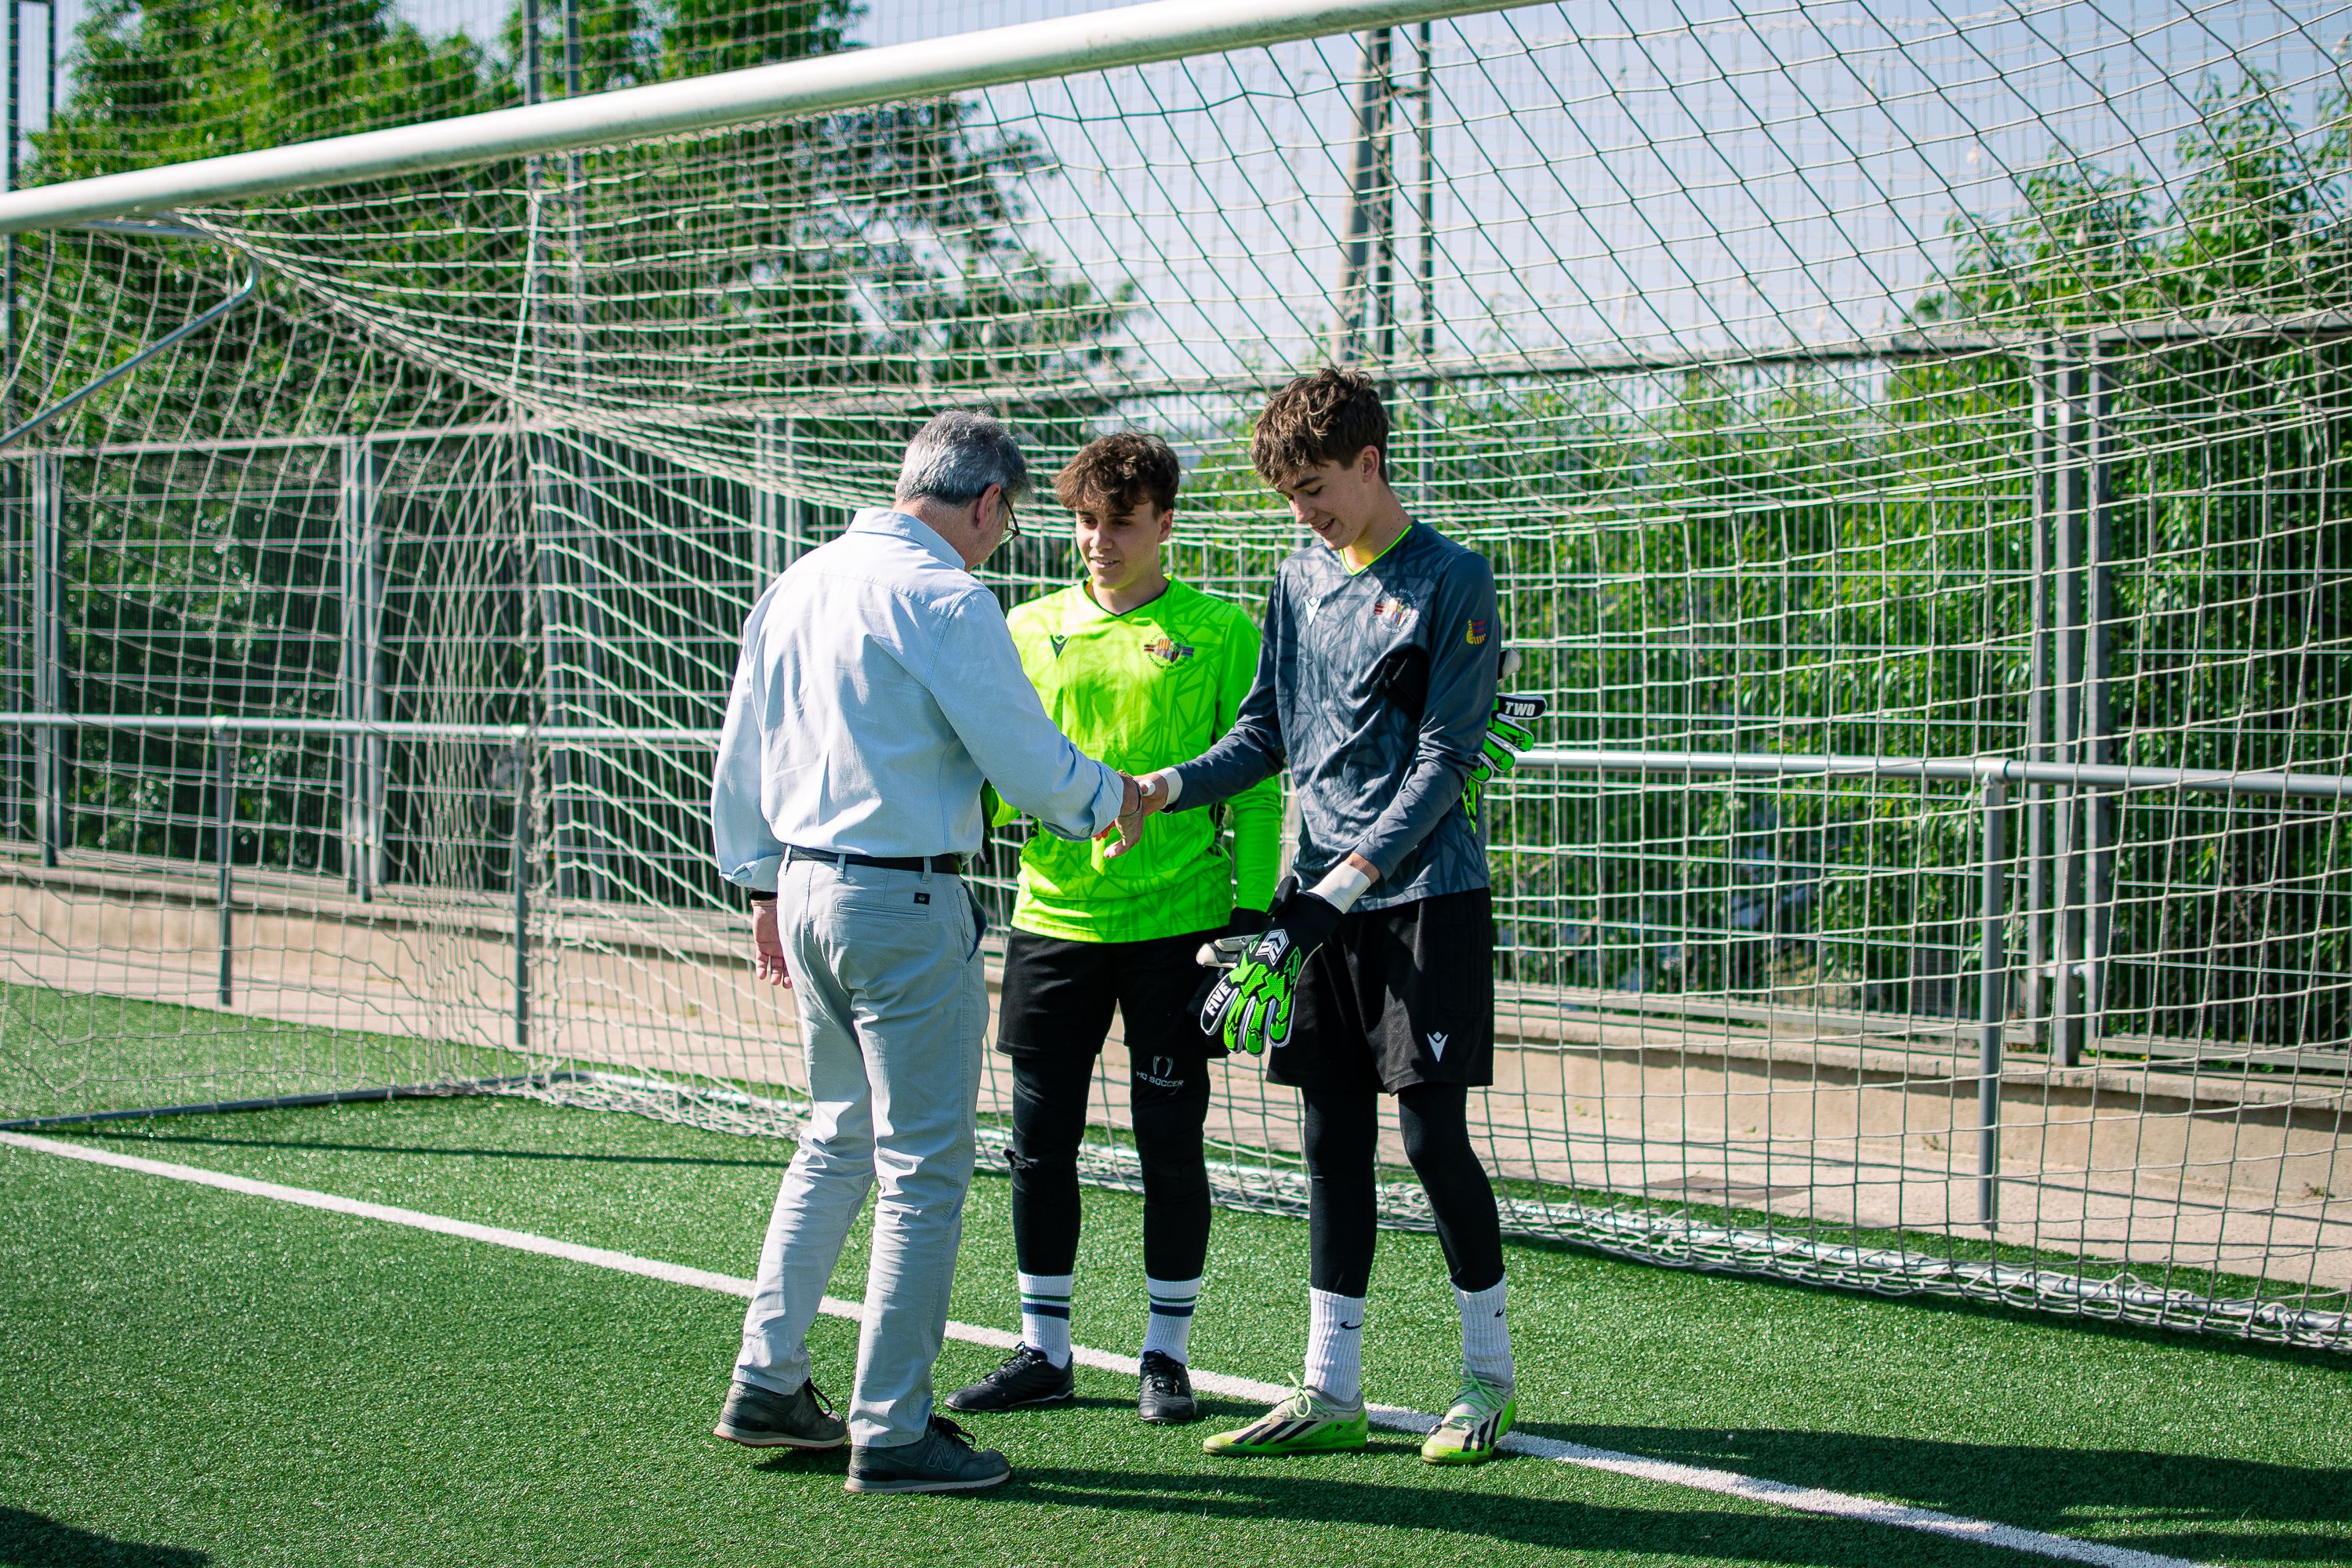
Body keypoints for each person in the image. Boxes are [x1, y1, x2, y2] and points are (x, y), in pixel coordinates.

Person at [708, 409, 1143, 1495]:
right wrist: (1106, 798)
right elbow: (1022, 753)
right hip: (901, 901)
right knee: (922, 1169)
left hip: (804, 886)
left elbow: (741, 741)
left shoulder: (802, 578)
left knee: (834, 1140)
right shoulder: (945, 595)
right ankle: (893, 1430)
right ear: (988, 503)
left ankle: (767, 1378)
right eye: (1007, 520)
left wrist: (760, 881)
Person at [1110, 368, 1523, 1466]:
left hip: (1422, 899)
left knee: (1435, 1139)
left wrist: (1346, 883)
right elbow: (1263, 737)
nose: (1304, 511)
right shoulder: (1297, 577)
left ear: (1369, 463)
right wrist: (1163, 787)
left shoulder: (1454, 577)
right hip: (1315, 907)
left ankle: (1487, 1380)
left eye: (1315, 487)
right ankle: (1329, 1389)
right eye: (1289, 494)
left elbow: (1445, 762)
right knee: (1330, 1142)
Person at [942, 431, 1279, 1427]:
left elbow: (1256, 793)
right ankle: (1044, 1349)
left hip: (1181, 930)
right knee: (1039, 1142)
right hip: (1052, 924)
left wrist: (1251, 920)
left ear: (1165, 523)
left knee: (1169, 1145)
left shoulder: (1222, 630)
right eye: (1086, 521)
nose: (1098, 540)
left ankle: (1164, 1355)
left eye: (1120, 523)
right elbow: (998, 778)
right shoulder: (1022, 628)